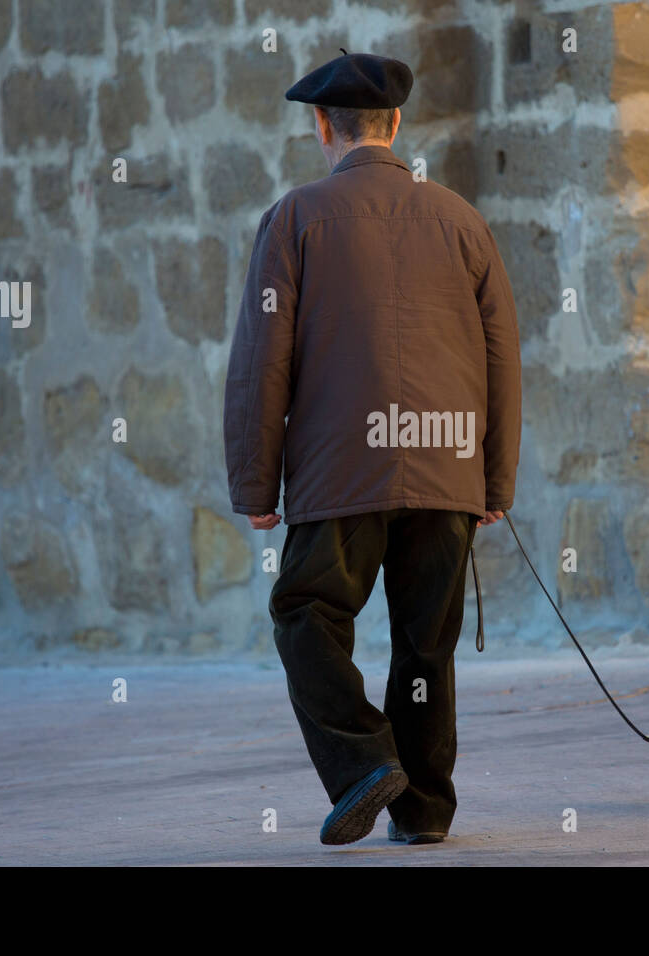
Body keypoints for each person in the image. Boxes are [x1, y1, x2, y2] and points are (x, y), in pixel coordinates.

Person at [223, 49, 521, 846]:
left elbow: (262, 362)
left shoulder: (295, 220)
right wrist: (495, 480)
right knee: (426, 644)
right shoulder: (462, 219)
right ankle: (422, 811)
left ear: (322, 125)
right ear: (397, 125)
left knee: (305, 613)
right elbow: (501, 358)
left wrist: (256, 487)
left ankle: (361, 763)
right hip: (446, 467)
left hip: (341, 472)